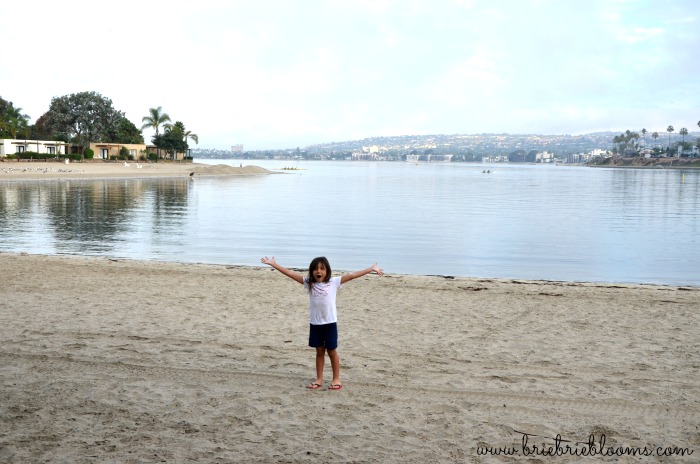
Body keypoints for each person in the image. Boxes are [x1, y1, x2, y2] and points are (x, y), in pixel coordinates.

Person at [260, 256, 383, 390]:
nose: (318, 271)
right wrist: (274, 264)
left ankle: (336, 379)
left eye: (322, 268)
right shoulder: (309, 283)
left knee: (332, 351)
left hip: (330, 323)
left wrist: (371, 269)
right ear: (311, 271)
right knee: (319, 351)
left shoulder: (334, 282)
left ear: (327, 271)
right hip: (315, 324)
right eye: (315, 269)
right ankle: (319, 379)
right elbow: (290, 273)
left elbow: (352, 276)